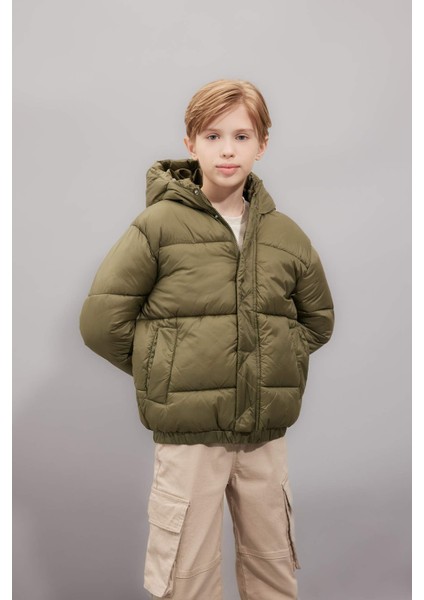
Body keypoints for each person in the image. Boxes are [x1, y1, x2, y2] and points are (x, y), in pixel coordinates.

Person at [80, 79, 334, 600]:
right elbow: (101, 323)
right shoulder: (157, 227)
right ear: (190, 144)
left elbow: (317, 320)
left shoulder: (286, 236)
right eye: (213, 136)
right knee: (187, 577)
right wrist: (166, 368)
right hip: (189, 439)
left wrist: (266, 364)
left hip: (264, 436)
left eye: (242, 136)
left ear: (262, 145)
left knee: (273, 567)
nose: (227, 150)